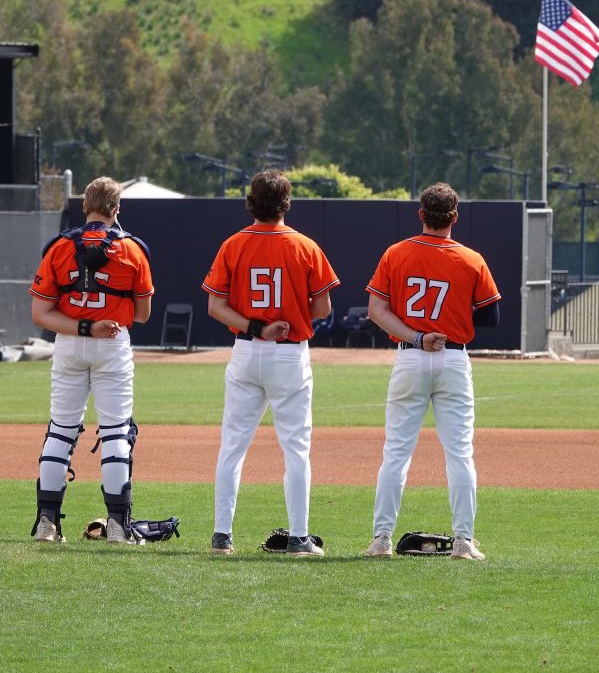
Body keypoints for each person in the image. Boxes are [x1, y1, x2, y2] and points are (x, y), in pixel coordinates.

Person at [202, 169, 340, 557]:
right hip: (289, 353)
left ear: (251, 202)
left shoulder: (233, 244)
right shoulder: (305, 245)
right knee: (296, 449)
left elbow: (215, 306)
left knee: (232, 447)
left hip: (246, 349)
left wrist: (256, 326)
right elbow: (323, 307)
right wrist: (288, 314)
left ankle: (221, 536)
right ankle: (298, 538)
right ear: (286, 203)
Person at [363, 182, 500, 562]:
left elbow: (377, 311)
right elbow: (492, 315)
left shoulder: (396, 253)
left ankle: (381, 539)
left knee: (396, 453)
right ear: (454, 217)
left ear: (422, 214)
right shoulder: (471, 259)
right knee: (459, 453)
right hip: (453, 358)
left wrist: (417, 335)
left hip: (411, 355)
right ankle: (463, 541)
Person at [29, 176, 154, 545]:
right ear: (117, 208)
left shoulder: (59, 248)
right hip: (113, 343)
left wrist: (84, 325)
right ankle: (118, 525)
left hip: (69, 341)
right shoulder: (133, 250)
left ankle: (46, 524)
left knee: (61, 430)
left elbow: (40, 313)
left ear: (86, 205)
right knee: (116, 431)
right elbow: (144, 314)